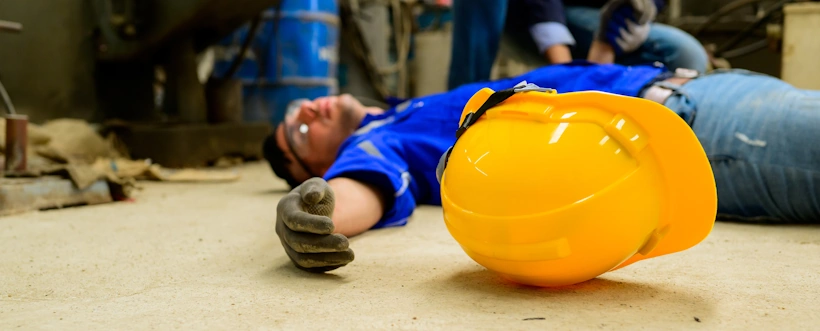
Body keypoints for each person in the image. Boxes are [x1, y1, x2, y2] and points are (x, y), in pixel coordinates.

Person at [264, 53, 820, 272]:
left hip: (706, 89)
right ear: (308, 163)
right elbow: (361, 185)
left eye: (297, 110)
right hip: (688, 129)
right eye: (300, 130)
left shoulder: (396, 109)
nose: (307, 109)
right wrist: (316, 213)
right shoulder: (374, 141)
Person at [448, 0, 709, 90]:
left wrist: (630, 18)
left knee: (686, 55)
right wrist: (567, 74)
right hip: (522, 17)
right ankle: (460, 113)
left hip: (593, 18)